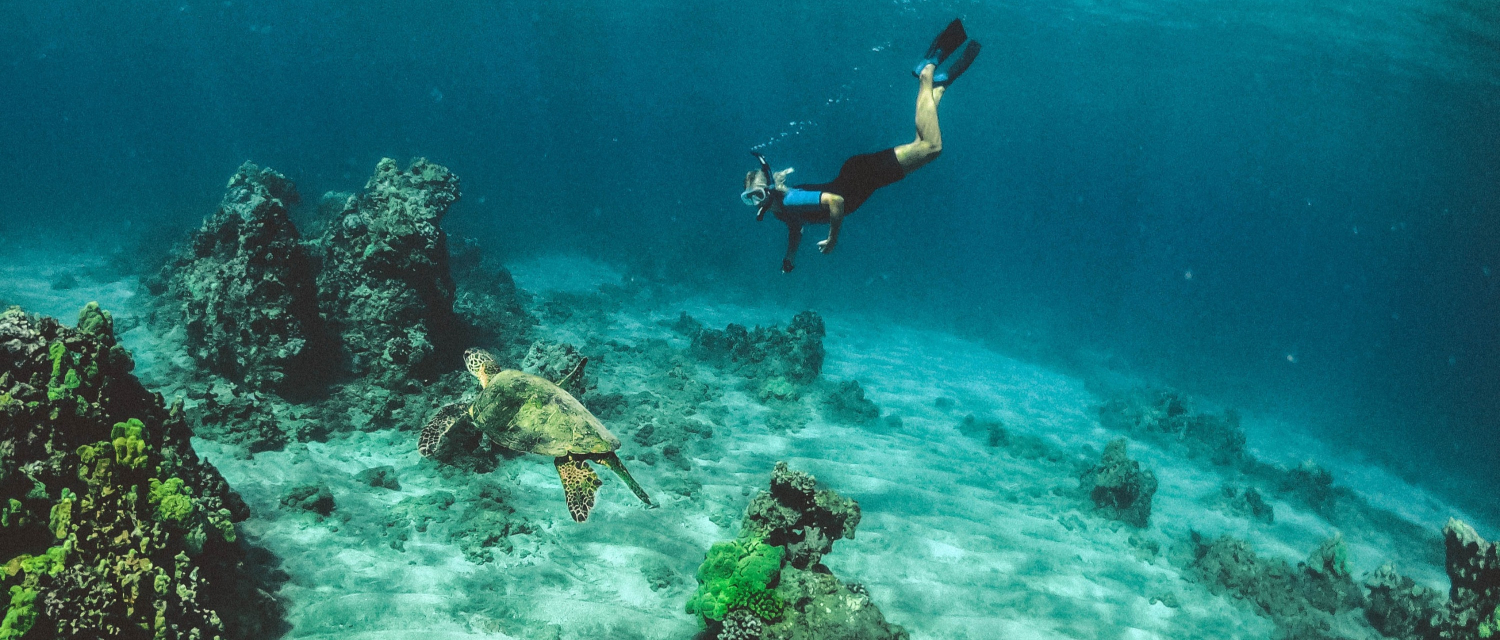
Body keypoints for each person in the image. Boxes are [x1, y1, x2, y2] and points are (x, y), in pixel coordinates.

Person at [741, 19, 981, 273]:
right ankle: (936, 89)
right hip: (864, 179)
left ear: (769, 187)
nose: (756, 202)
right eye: (750, 198)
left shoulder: (790, 200)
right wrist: (789, 258)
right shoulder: (781, 211)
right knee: (923, 145)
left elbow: (835, 201)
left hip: (863, 175)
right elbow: (795, 226)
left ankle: (927, 72)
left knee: (931, 147)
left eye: (758, 194)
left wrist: (833, 239)